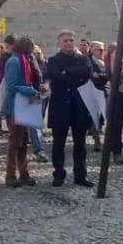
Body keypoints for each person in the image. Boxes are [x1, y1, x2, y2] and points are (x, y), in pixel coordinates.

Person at [46, 30, 97, 188]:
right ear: (59, 43)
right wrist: (71, 74)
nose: (68, 43)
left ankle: (80, 175)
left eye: (71, 40)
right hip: (60, 105)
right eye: (65, 41)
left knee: (80, 143)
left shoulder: (82, 58)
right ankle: (59, 174)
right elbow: (55, 75)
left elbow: (87, 71)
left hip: (79, 106)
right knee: (58, 143)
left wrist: (67, 72)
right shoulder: (53, 60)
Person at [0, 36, 43, 188]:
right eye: (31, 48)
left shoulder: (25, 60)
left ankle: (24, 173)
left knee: (23, 143)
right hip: (15, 107)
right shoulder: (14, 61)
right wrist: (31, 90)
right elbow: (11, 86)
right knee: (15, 143)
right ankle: (10, 175)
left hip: (24, 105)